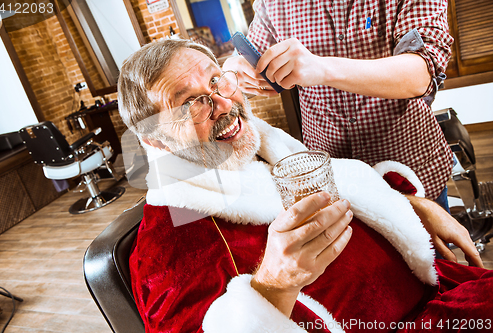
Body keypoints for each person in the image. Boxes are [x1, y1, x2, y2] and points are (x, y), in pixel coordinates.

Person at [118, 39, 490, 333]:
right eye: (189, 104)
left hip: (439, 290)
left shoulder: (265, 146)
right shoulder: (174, 228)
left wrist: (409, 204)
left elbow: (348, 186)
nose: (222, 103)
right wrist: (273, 287)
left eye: (216, 79)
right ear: (156, 140)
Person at [222, 0, 454, 211]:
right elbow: (252, 58)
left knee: (431, 256)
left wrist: (322, 69)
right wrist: (236, 69)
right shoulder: (273, 4)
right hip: (332, 176)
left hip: (409, 167)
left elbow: (423, 73)